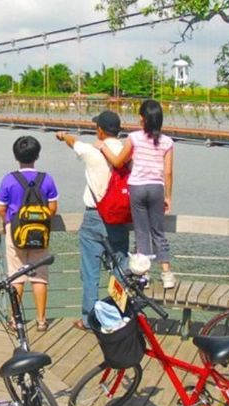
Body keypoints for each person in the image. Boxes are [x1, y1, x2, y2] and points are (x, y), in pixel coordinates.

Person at [56, 110, 130, 331]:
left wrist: (62, 136)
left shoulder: (92, 150)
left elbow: (73, 142)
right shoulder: (127, 152)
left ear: (100, 130)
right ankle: (118, 316)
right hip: (119, 217)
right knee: (119, 269)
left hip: (94, 216)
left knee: (90, 272)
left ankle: (89, 319)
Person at [97, 99, 175, 288]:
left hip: (137, 188)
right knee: (158, 231)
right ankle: (166, 275)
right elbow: (168, 172)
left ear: (142, 118)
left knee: (141, 232)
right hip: (156, 188)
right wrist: (168, 196)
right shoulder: (167, 142)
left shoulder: (134, 138)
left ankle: (144, 275)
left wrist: (103, 147)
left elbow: (118, 162)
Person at [0, 135, 59, 332]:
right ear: (37, 155)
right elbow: (53, 208)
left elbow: (0, 209)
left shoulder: (9, 179)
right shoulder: (46, 179)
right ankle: (41, 320)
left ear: (16, 156)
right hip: (41, 235)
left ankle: (15, 321)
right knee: (39, 277)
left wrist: (10, 222)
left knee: (16, 276)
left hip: (15, 233)